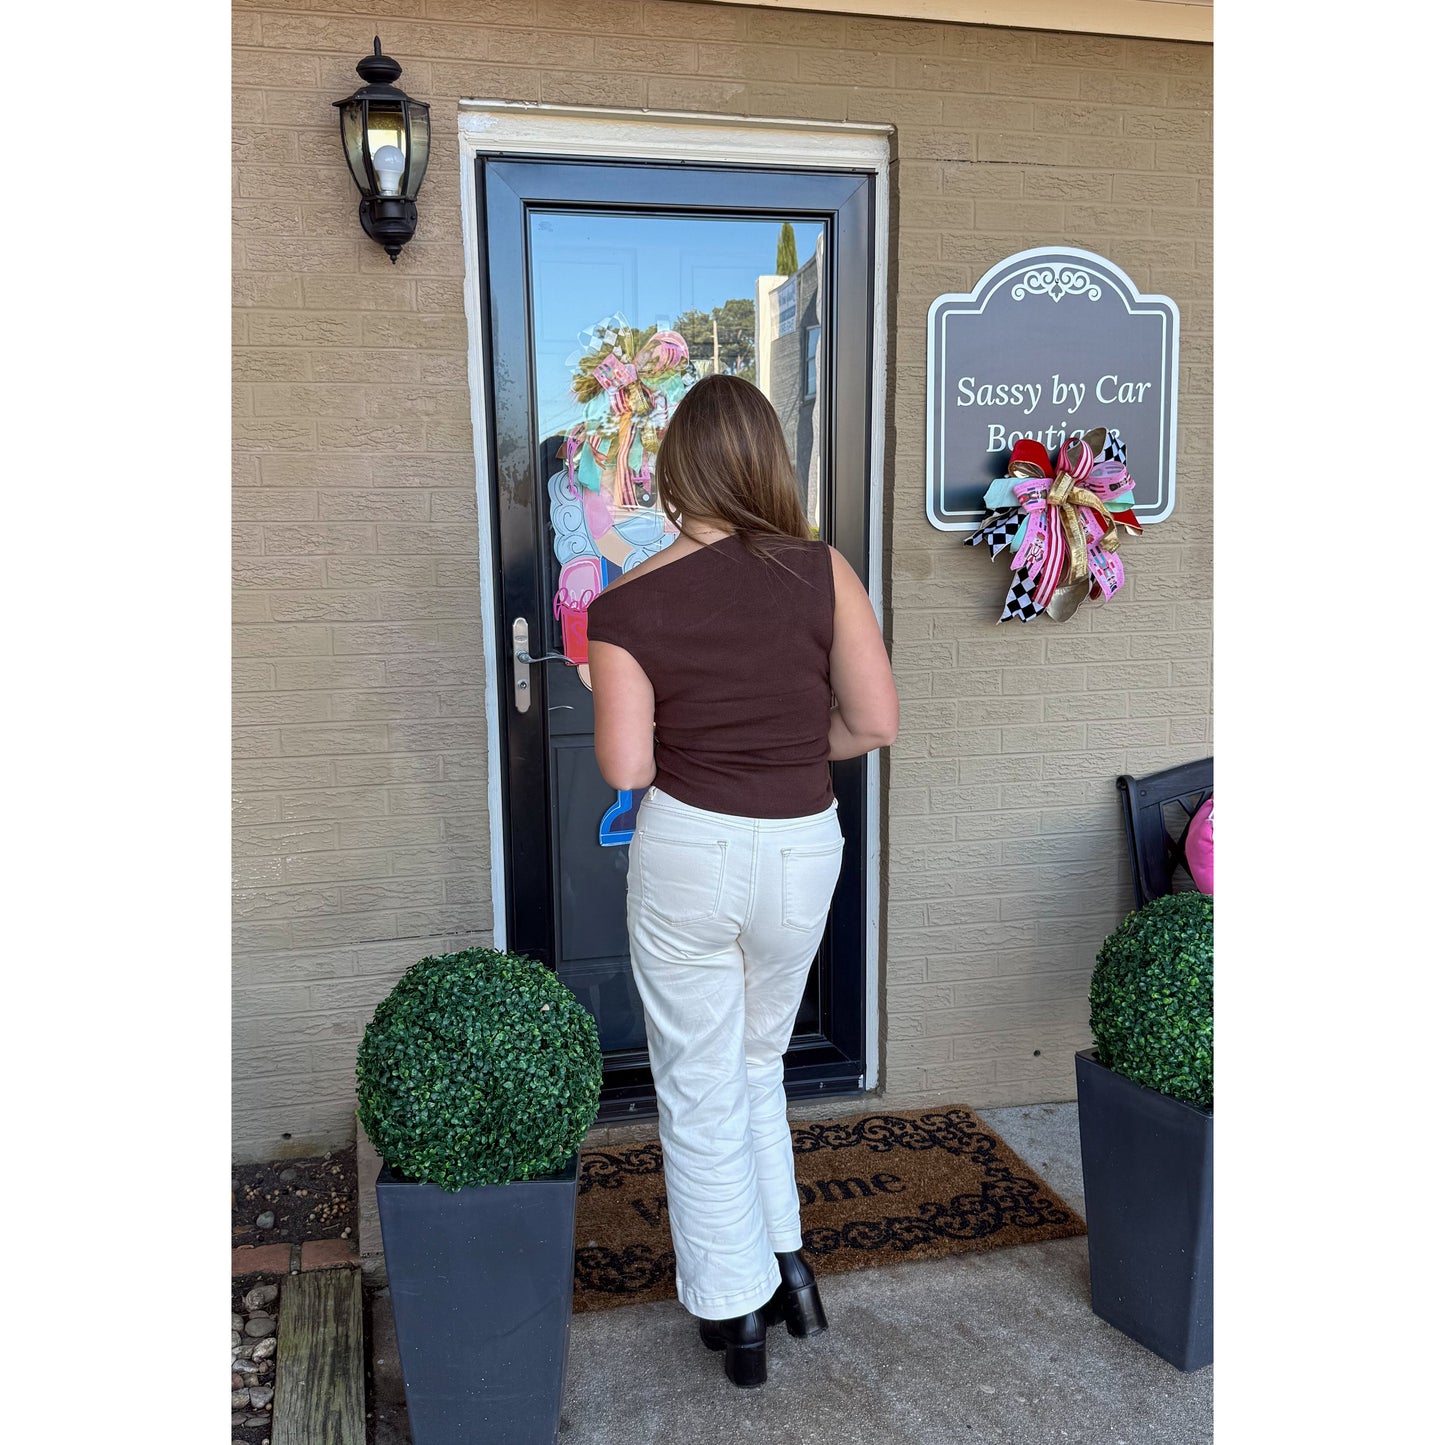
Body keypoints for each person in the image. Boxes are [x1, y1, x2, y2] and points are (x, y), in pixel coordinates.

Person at [584, 374, 898, 1388]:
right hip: (803, 839)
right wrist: (781, 750)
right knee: (756, 1058)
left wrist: (609, 681)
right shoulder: (822, 570)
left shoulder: (622, 602)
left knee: (697, 1080)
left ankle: (735, 1309)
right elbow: (872, 721)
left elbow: (627, 770)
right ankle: (787, 1263)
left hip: (691, 848)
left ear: (675, 470)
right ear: (767, 459)